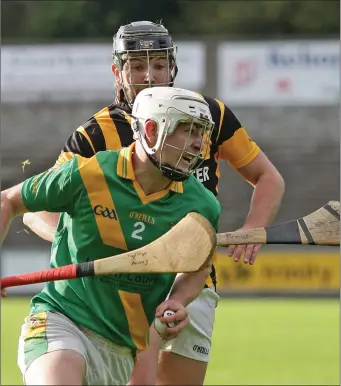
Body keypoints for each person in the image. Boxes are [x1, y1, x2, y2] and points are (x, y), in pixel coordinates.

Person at [23, 21, 285, 385]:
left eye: (159, 65)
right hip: (121, 291)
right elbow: (36, 208)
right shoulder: (93, 135)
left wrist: (253, 228)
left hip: (190, 283)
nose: (151, 76)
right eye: (138, 66)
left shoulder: (208, 116)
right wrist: (97, 251)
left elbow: (268, 177)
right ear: (118, 71)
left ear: (172, 67)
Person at [1, 86, 220, 386]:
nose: (198, 144)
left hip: (122, 353)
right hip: (60, 321)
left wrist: (179, 299)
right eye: (189, 130)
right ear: (153, 130)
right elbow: (8, 202)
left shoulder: (202, 205)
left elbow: (199, 266)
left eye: (202, 133)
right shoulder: (87, 174)